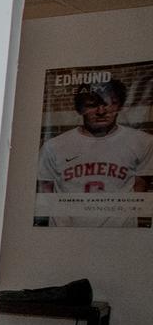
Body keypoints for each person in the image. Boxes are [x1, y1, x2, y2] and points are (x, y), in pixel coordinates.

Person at [36, 78, 153, 227]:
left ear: (119, 106)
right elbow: (46, 191)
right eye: (92, 105)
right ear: (80, 109)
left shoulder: (143, 141)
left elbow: (139, 189)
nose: (101, 111)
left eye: (109, 103)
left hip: (118, 234)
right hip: (66, 233)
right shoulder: (53, 146)